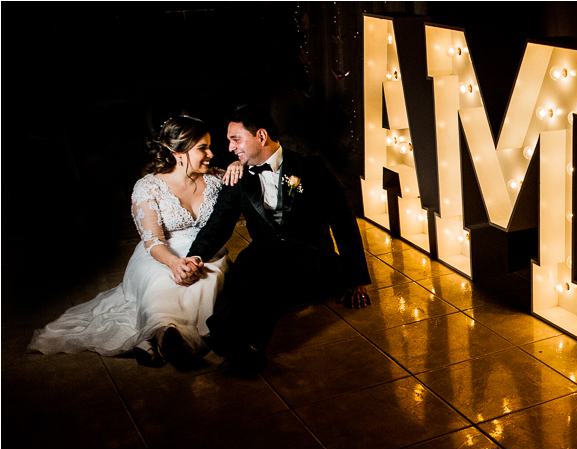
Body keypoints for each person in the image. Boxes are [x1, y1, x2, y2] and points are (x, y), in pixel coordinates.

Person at [29, 116, 234, 366]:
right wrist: (174, 264)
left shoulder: (218, 179)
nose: (212, 154)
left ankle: (152, 341)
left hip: (207, 250)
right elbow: (153, 240)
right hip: (161, 252)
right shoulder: (148, 187)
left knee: (205, 280)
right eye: (203, 148)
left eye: (209, 146)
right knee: (161, 282)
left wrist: (241, 167)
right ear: (179, 152)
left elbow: (249, 192)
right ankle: (165, 335)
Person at [185, 104, 371, 374]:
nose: (229, 147)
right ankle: (235, 337)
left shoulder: (312, 169)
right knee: (243, 274)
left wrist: (355, 278)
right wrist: (196, 255)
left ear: (261, 136)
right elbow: (218, 225)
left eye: (235, 139)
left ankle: (244, 341)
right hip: (264, 253)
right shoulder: (237, 177)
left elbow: (343, 222)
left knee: (269, 279)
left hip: (309, 257)